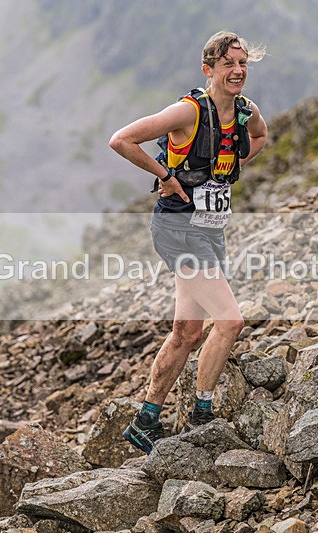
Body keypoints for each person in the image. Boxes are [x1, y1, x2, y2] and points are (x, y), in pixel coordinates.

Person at [109, 31, 268, 454]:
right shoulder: (187, 112)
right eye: (228, 64)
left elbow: (261, 135)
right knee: (231, 322)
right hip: (178, 231)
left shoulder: (245, 110)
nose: (237, 72)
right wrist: (165, 175)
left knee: (186, 332)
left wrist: (230, 162)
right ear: (208, 69)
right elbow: (121, 139)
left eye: (242, 64)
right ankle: (201, 415)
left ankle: (145, 421)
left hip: (209, 231)